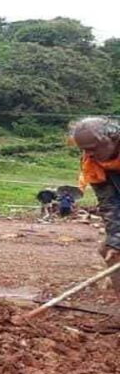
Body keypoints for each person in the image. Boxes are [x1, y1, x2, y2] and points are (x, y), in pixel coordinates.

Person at [71, 117, 120, 325]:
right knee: (110, 251)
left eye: (93, 148)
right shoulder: (92, 163)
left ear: (113, 138)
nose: (89, 154)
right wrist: (115, 240)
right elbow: (109, 204)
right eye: (84, 149)